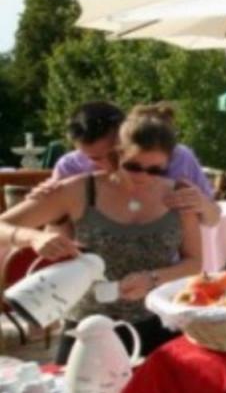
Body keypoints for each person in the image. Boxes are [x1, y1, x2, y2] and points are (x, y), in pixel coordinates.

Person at [0, 113, 202, 362]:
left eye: (155, 170)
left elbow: (194, 262)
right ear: (119, 153)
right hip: (87, 330)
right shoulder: (79, 190)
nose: (143, 176)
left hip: (159, 324)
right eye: (134, 166)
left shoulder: (179, 195)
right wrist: (32, 238)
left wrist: (152, 278)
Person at [49, 101, 221, 227]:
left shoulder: (176, 157)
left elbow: (213, 219)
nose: (107, 164)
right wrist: (37, 237)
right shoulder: (70, 167)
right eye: (94, 158)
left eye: (115, 153)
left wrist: (203, 205)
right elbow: (52, 224)